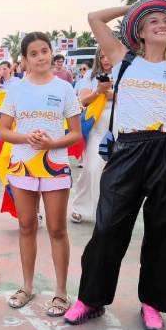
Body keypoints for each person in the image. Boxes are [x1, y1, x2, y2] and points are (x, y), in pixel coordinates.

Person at [66, 0, 166, 330]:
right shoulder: (123, 60)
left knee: (165, 232)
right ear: (139, 30)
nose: (161, 25)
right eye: (153, 20)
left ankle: (153, 303)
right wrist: (135, 7)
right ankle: (91, 299)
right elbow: (94, 16)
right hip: (127, 150)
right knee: (108, 227)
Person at [0, 32, 82, 317]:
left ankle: (61, 292)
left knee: (58, 229)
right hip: (22, 166)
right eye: (33, 53)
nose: (40, 57)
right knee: (26, 227)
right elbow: (4, 131)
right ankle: (27, 286)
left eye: (44, 51)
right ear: (24, 59)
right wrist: (26, 138)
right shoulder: (15, 89)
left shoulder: (65, 89)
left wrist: (51, 144)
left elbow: (75, 134)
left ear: (51, 53)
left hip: (55, 167)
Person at [70, 47, 113, 224]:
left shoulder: (126, 74)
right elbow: (85, 100)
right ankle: (80, 207)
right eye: (101, 56)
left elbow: (132, 97)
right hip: (95, 128)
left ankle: (108, 210)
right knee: (91, 168)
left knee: (113, 173)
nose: (105, 59)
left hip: (121, 128)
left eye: (108, 55)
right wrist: (100, 92)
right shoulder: (89, 77)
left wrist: (109, 94)